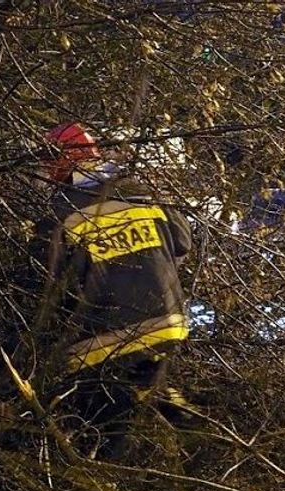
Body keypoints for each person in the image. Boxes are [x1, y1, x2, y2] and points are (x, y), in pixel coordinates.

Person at [36, 122, 194, 460]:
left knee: (102, 418)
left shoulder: (60, 214)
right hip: (168, 320)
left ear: (60, 162)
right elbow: (183, 242)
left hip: (103, 339)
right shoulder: (140, 191)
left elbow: (43, 280)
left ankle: (113, 473)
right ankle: (177, 415)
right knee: (141, 373)